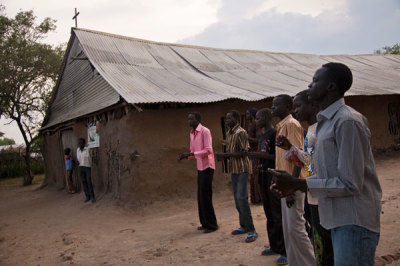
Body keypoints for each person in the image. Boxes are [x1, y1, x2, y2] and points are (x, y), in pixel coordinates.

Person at [270, 62, 382, 266]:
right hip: (335, 216)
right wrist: (293, 163)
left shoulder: (347, 122)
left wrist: (297, 184)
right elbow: (315, 166)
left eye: (315, 81)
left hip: (353, 220)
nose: (309, 85)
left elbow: (350, 183)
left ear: (331, 87)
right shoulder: (323, 125)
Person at [278, 90, 334, 266]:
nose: (295, 111)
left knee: (327, 245)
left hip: (324, 196)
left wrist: (294, 183)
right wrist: (292, 149)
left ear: (313, 105)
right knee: (320, 242)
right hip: (313, 194)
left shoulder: (324, 130)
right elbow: (310, 164)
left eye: (298, 106)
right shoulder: (311, 131)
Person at [271, 95, 316, 266]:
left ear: (288, 107)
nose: (273, 107)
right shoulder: (282, 126)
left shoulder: (291, 124)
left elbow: (298, 156)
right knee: (289, 229)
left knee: (297, 229)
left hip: (293, 184)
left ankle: (309, 263)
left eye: (277, 104)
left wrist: (291, 185)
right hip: (285, 184)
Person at [247, 108, 287, 265]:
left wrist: (257, 156)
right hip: (262, 175)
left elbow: (276, 157)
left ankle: (285, 250)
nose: (256, 121)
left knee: (278, 214)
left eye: (258, 118)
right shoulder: (263, 134)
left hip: (271, 175)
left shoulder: (274, 133)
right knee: (269, 213)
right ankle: (275, 245)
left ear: (265, 117)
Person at [216, 110, 258, 243]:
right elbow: (231, 149)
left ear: (236, 119)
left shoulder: (241, 132)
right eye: (226, 119)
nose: (227, 121)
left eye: (229, 118)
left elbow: (244, 151)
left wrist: (225, 156)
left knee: (242, 198)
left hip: (242, 169)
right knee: (237, 199)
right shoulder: (229, 132)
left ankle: (252, 230)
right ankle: (243, 226)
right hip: (234, 169)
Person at [178, 112, 218, 233]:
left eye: (192, 119)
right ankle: (205, 223)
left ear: (198, 120)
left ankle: (212, 225)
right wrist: (186, 156)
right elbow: (193, 151)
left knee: (206, 196)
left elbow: (208, 150)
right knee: (201, 196)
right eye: (188, 119)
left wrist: (191, 154)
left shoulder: (205, 131)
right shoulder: (191, 133)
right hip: (200, 167)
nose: (190, 121)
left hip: (207, 167)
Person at [246, 107, 262, 204]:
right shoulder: (250, 124)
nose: (246, 115)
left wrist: (248, 139)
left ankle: (259, 198)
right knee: (252, 175)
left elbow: (259, 140)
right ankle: (254, 198)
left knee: (256, 175)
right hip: (252, 152)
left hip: (256, 152)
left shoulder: (256, 124)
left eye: (248, 114)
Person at [77, 138, 96, 203]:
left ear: (84, 143)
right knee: (84, 182)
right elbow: (78, 159)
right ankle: (87, 196)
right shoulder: (78, 150)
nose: (80, 144)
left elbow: (91, 155)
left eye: (81, 142)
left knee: (89, 181)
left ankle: (92, 196)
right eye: (79, 143)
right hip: (81, 167)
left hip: (87, 167)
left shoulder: (88, 149)